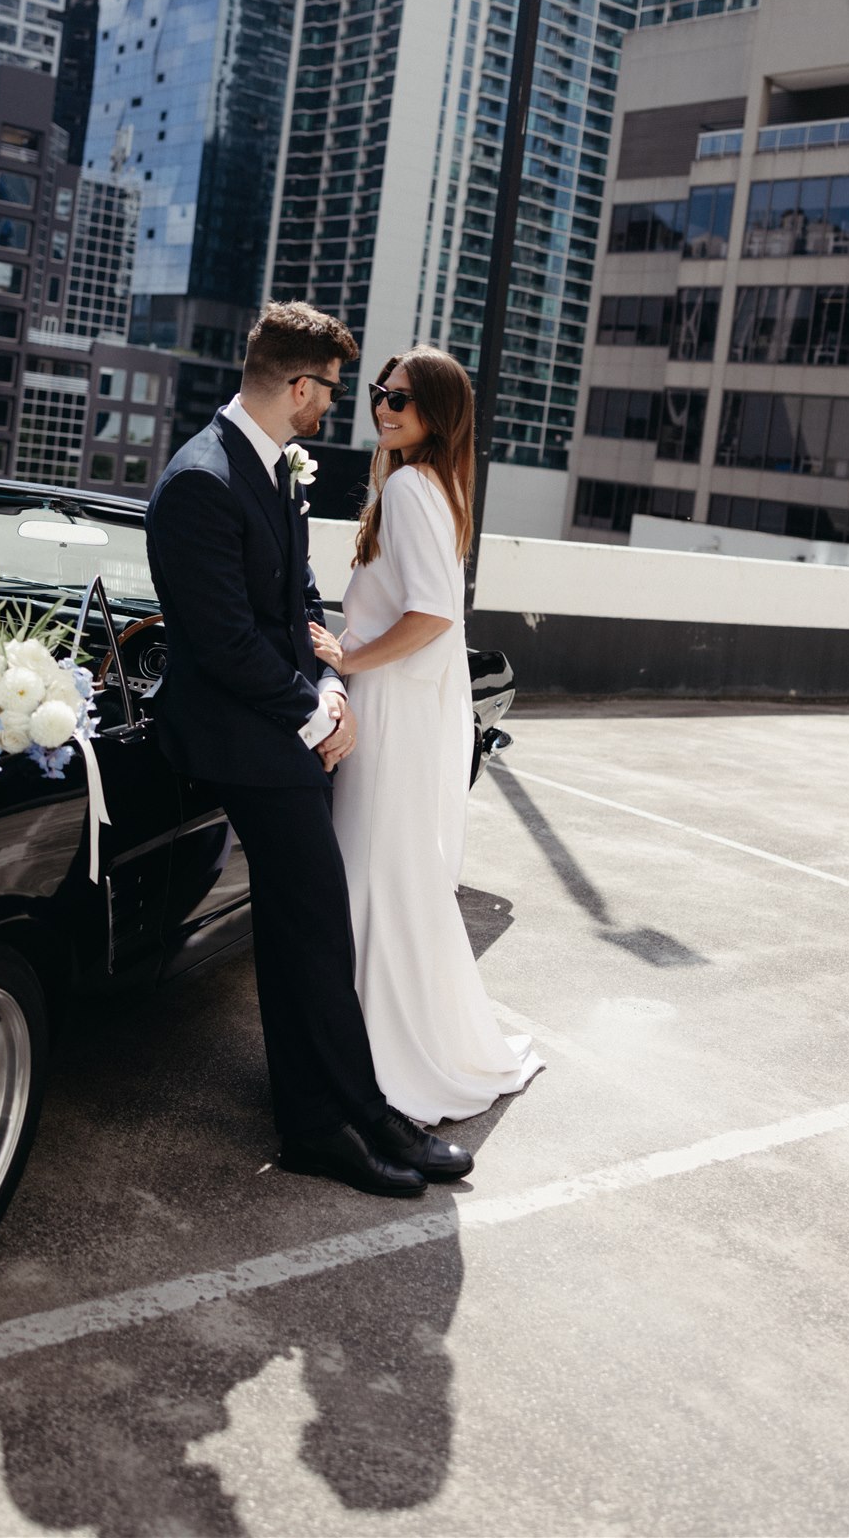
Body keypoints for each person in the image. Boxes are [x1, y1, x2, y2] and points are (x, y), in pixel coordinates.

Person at [144, 302, 473, 1197]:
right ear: (297, 386)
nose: (338, 406)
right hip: (230, 734)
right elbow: (223, 644)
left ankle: (351, 1112)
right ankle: (327, 1124)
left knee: (309, 930)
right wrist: (318, 711)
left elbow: (296, 602)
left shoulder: (270, 464)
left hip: (276, 716)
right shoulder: (200, 481)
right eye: (331, 389)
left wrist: (331, 679)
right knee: (315, 924)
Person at [312, 348, 543, 1125]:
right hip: (411, 708)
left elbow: (433, 616)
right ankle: (384, 1042)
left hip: (391, 708)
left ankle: (379, 1056)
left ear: (435, 413)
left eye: (401, 399)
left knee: (374, 873)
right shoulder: (435, 485)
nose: (383, 408)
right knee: (390, 874)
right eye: (379, 394)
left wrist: (348, 656)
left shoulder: (412, 486)